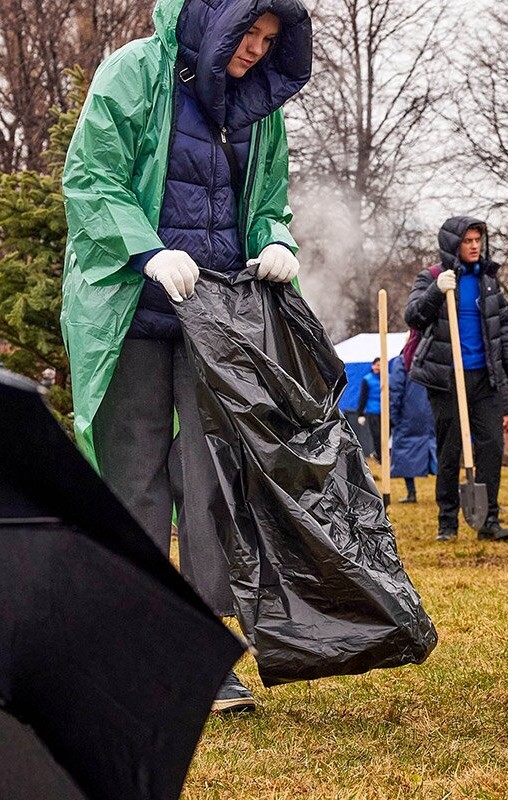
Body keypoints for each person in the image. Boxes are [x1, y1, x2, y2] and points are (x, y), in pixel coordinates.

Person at [60, 0, 312, 714]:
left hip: (215, 318)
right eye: (248, 33)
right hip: (131, 310)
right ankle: (135, 644)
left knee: (212, 482)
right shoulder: (133, 74)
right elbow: (92, 179)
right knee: (132, 480)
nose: (256, 50)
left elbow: (269, 201)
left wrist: (276, 240)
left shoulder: (259, 107)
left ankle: (203, 651)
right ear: (216, 18)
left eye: (269, 40)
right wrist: (145, 250)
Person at [404, 217, 508, 543]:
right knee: (450, 449)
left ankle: (488, 520)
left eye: (477, 240)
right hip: (447, 376)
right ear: (453, 244)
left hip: (485, 377)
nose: (474, 246)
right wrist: (436, 290)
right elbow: (413, 315)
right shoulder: (432, 276)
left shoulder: (488, 281)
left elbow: (503, 329)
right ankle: (447, 522)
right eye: (467, 241)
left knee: (492, 445)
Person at [388, 353, 435, 503]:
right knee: (437, 450)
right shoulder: (432, 357)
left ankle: (411, 492)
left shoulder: (402, 361)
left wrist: (393, 416)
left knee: (405, 452)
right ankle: (447, 491)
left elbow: (395, 390)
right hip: (431, 412)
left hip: (407, 415)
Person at [356, 357, 383, 459]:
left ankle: (384, 455)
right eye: (377, 365)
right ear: (373, 366)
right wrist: (360, 414)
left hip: (386, 412)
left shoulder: (388, 378)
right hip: (373, 411)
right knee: (377, 435)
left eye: (380, 365)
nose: (378, 367)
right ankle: (380, 457)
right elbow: (363, 397)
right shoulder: (367, 379)